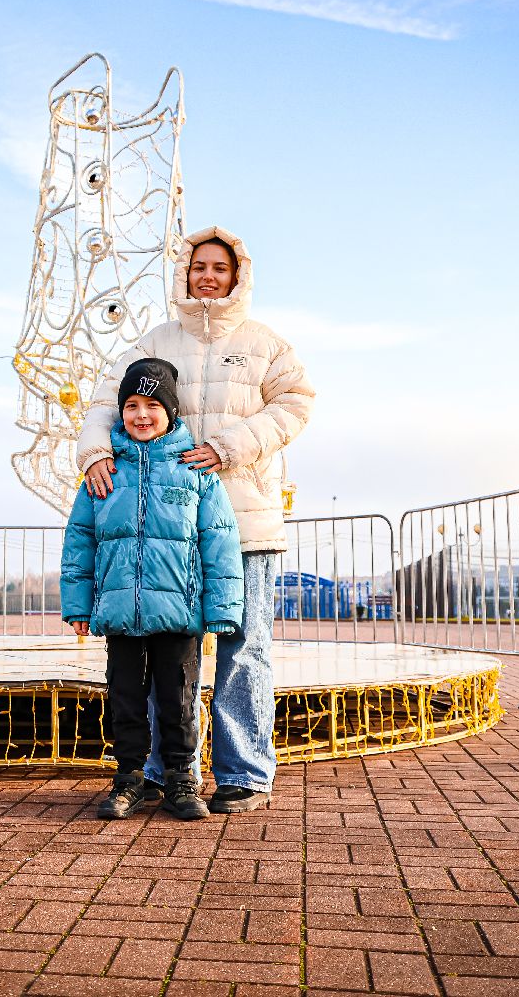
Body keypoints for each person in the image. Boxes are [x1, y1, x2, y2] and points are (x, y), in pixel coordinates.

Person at [77, 227, 314, 814]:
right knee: (159, 651)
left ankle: (244, 772)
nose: (208, 276)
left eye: (220, 267)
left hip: (248, 519)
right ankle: (158, 770)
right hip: (168, 529)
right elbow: (107, 403)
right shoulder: (155, 341)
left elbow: (297, 403)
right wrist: (94, 453)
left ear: (238, 276)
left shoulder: (267, 345)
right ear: (184, 273)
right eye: (198, 266)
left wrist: (231, 445)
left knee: (243, 648)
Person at [61, 358, 244, 821]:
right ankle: (128, 780)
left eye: (152, 406)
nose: (141, 415)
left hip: (179, 611)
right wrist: (79, 604)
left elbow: (219, 540)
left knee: (177, 698)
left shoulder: (196, 471)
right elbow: (79, 542)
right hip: (121, 610)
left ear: (171, 412)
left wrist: (221, 609)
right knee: (124, 698)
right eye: (131, 406)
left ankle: (183, 781)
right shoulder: (103, 473)